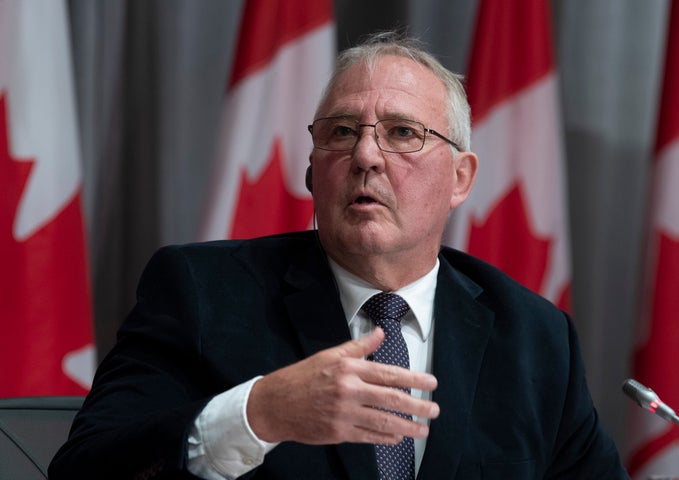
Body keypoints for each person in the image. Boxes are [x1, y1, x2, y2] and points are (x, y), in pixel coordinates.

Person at [49, 32, 629, 479]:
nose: (367, 155)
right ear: (312, 169)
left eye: (403, 133)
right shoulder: (202, 292)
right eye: (342, 131)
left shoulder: (535, 336)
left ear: (460, 177)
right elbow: (85, 468)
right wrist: (258, 413)